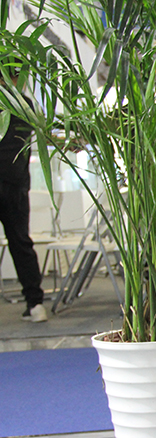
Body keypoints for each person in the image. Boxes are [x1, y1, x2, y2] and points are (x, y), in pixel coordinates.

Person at [0, 67, 47, 322]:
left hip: (14, 183)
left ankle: (35, 303)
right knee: (20, 242)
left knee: (20, 243)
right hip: (16, 183)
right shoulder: (24, 104)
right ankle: (35, 302)